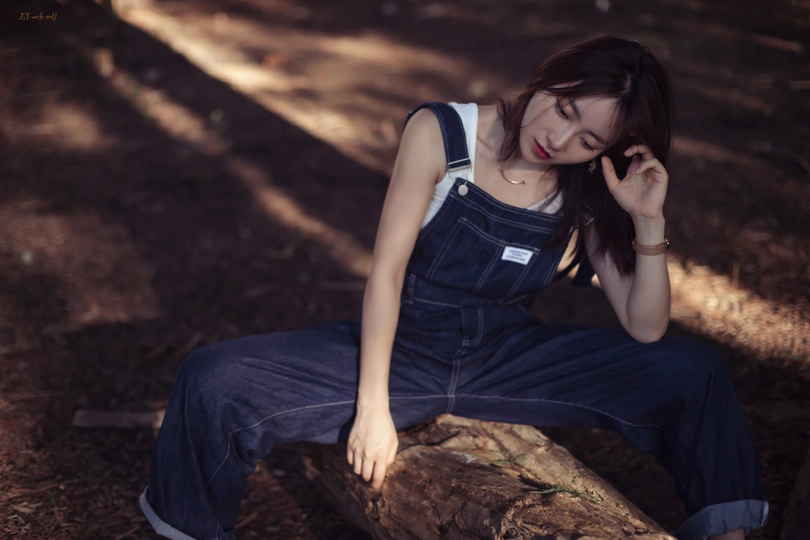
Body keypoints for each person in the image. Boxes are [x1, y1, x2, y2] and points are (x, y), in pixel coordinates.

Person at [139, 35, 768, 540]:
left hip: (505, 358)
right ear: (550, 77)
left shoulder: (586, 185)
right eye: (565, 108)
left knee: (693, 372)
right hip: (403, 350)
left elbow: (646, 326)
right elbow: (386, 274)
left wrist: (648, 220)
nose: (558, 139)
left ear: (611, 151)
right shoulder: (443, 133)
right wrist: (373, 409)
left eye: (588, 140)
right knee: (212, 380)